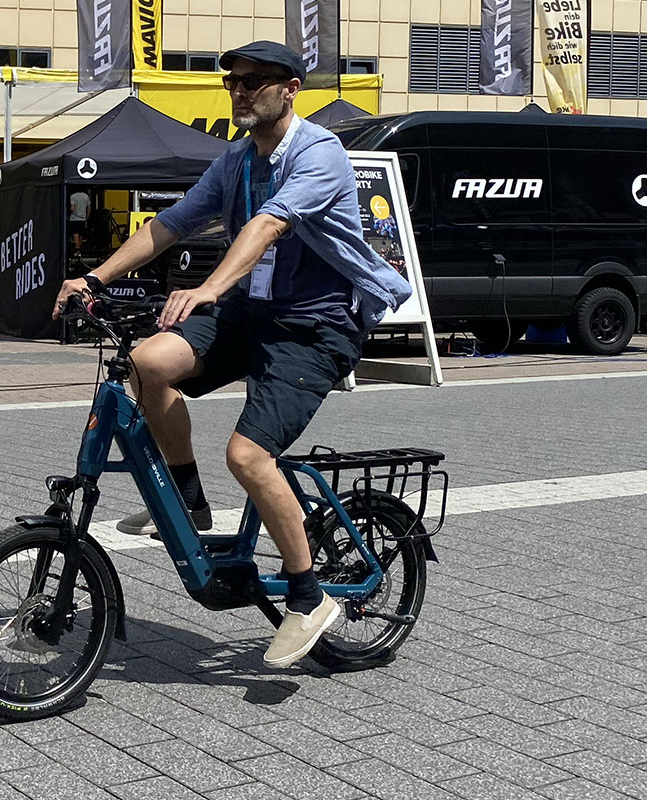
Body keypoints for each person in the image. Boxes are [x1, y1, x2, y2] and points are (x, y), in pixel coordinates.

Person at [52, 41, 411, 668]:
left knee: (247, 454)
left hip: (314, 328)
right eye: (232, 82)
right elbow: (171, 224)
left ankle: (308, 597)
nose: (239, 91)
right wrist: (95, 279)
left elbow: (268, 225)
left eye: (253, 82)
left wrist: (209, 288)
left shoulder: (318, 154)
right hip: (252, 315)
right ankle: (189, 495)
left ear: (290, 88)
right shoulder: (237, 160)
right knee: (146, 363)